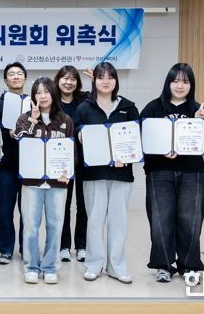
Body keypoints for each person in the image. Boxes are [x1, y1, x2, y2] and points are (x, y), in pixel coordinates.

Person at [140, 63, 204, 282]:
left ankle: (189, 266)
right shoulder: (153, 108)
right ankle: (163, 265)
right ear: (168, 83)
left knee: (190, 220)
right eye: (175, 81)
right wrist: (160, 151)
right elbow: (141, 139)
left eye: (185, 81)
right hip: (159, 172)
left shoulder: (198, 109)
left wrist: (202, 122)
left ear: (191, 85)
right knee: (160, 220)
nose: (180, 86)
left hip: (191, 172)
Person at [74, 62, 139, 284]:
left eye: (110, 77)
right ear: (94, 80)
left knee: (118, 221)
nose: (105, 81)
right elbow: (75, 136)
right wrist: (81, 137)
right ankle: (93, 265)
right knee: (94, 221)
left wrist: (127, 156)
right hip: (93, 174)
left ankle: (116, 267)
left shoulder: (128, 107)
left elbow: (135, 139)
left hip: (122, 174)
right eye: (101, 77)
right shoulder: (84, 108)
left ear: (116, 81)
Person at [13, 77, 74, 284]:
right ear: (33, 96)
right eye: (38, 92)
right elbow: (18, 139)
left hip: (57, 182)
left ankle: (50, 267)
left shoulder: (65, 120)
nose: (43, 96)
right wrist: (33, 119)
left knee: (55, 225)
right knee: (31, 225)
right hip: (31, 181)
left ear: (53, 94)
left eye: (46, 91)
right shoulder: (25, 118)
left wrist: (68, 171)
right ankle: (31, 266)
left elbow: (71, 151)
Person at [0, 62, 26, 265]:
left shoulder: (34, 103)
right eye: (11, 74)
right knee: (5, 211)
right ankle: (5, 250)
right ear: (5, 80)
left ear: (25, 79)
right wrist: (8, 134)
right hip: (5, 168)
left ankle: (26, 248)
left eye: (19, 73)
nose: (16, 76)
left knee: (27, 212)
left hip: (30, 167)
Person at [54, 65, 89, 263]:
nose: (69, 82)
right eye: (65, 78)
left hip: (84, 159)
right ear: (58, 80)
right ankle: (64, 245)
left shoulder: (85, 100)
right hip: (61, 160)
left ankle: (82, 246)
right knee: (63, 204)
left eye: (73, 79)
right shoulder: (53, 101)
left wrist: (96, 81)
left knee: (83, 204)